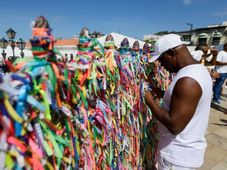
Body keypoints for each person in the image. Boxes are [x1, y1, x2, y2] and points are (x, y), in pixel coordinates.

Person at [145, 34, 213, 169]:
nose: (161, 65)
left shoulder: (188, 80)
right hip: (184, 153)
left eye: (161, 60)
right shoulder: (198, 71)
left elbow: (175, 125)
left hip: (176, 158)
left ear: (171, 53)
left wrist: (149, 101)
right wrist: (163, 94)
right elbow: (187, 102)